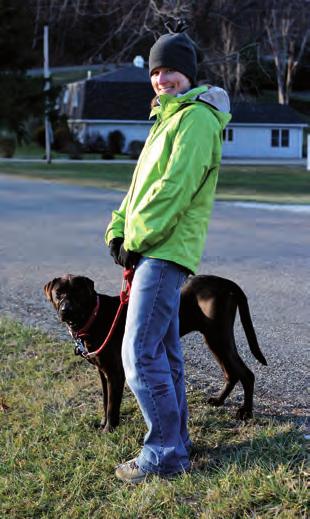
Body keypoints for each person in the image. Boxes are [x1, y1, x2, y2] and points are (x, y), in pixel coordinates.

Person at [105, 22, 231, 484]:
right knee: (163, 350)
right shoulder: (167, 118)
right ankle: (177, 442)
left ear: (190, 75)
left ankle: (164, 455)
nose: (163, 79)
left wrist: (135, 239)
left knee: (138, 352)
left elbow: (173, 190)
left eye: (173, 71)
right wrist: (117, 231)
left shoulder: (195, 119)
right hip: (149, 246)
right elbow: (139, 188)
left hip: (164, 249)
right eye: (157, 71)